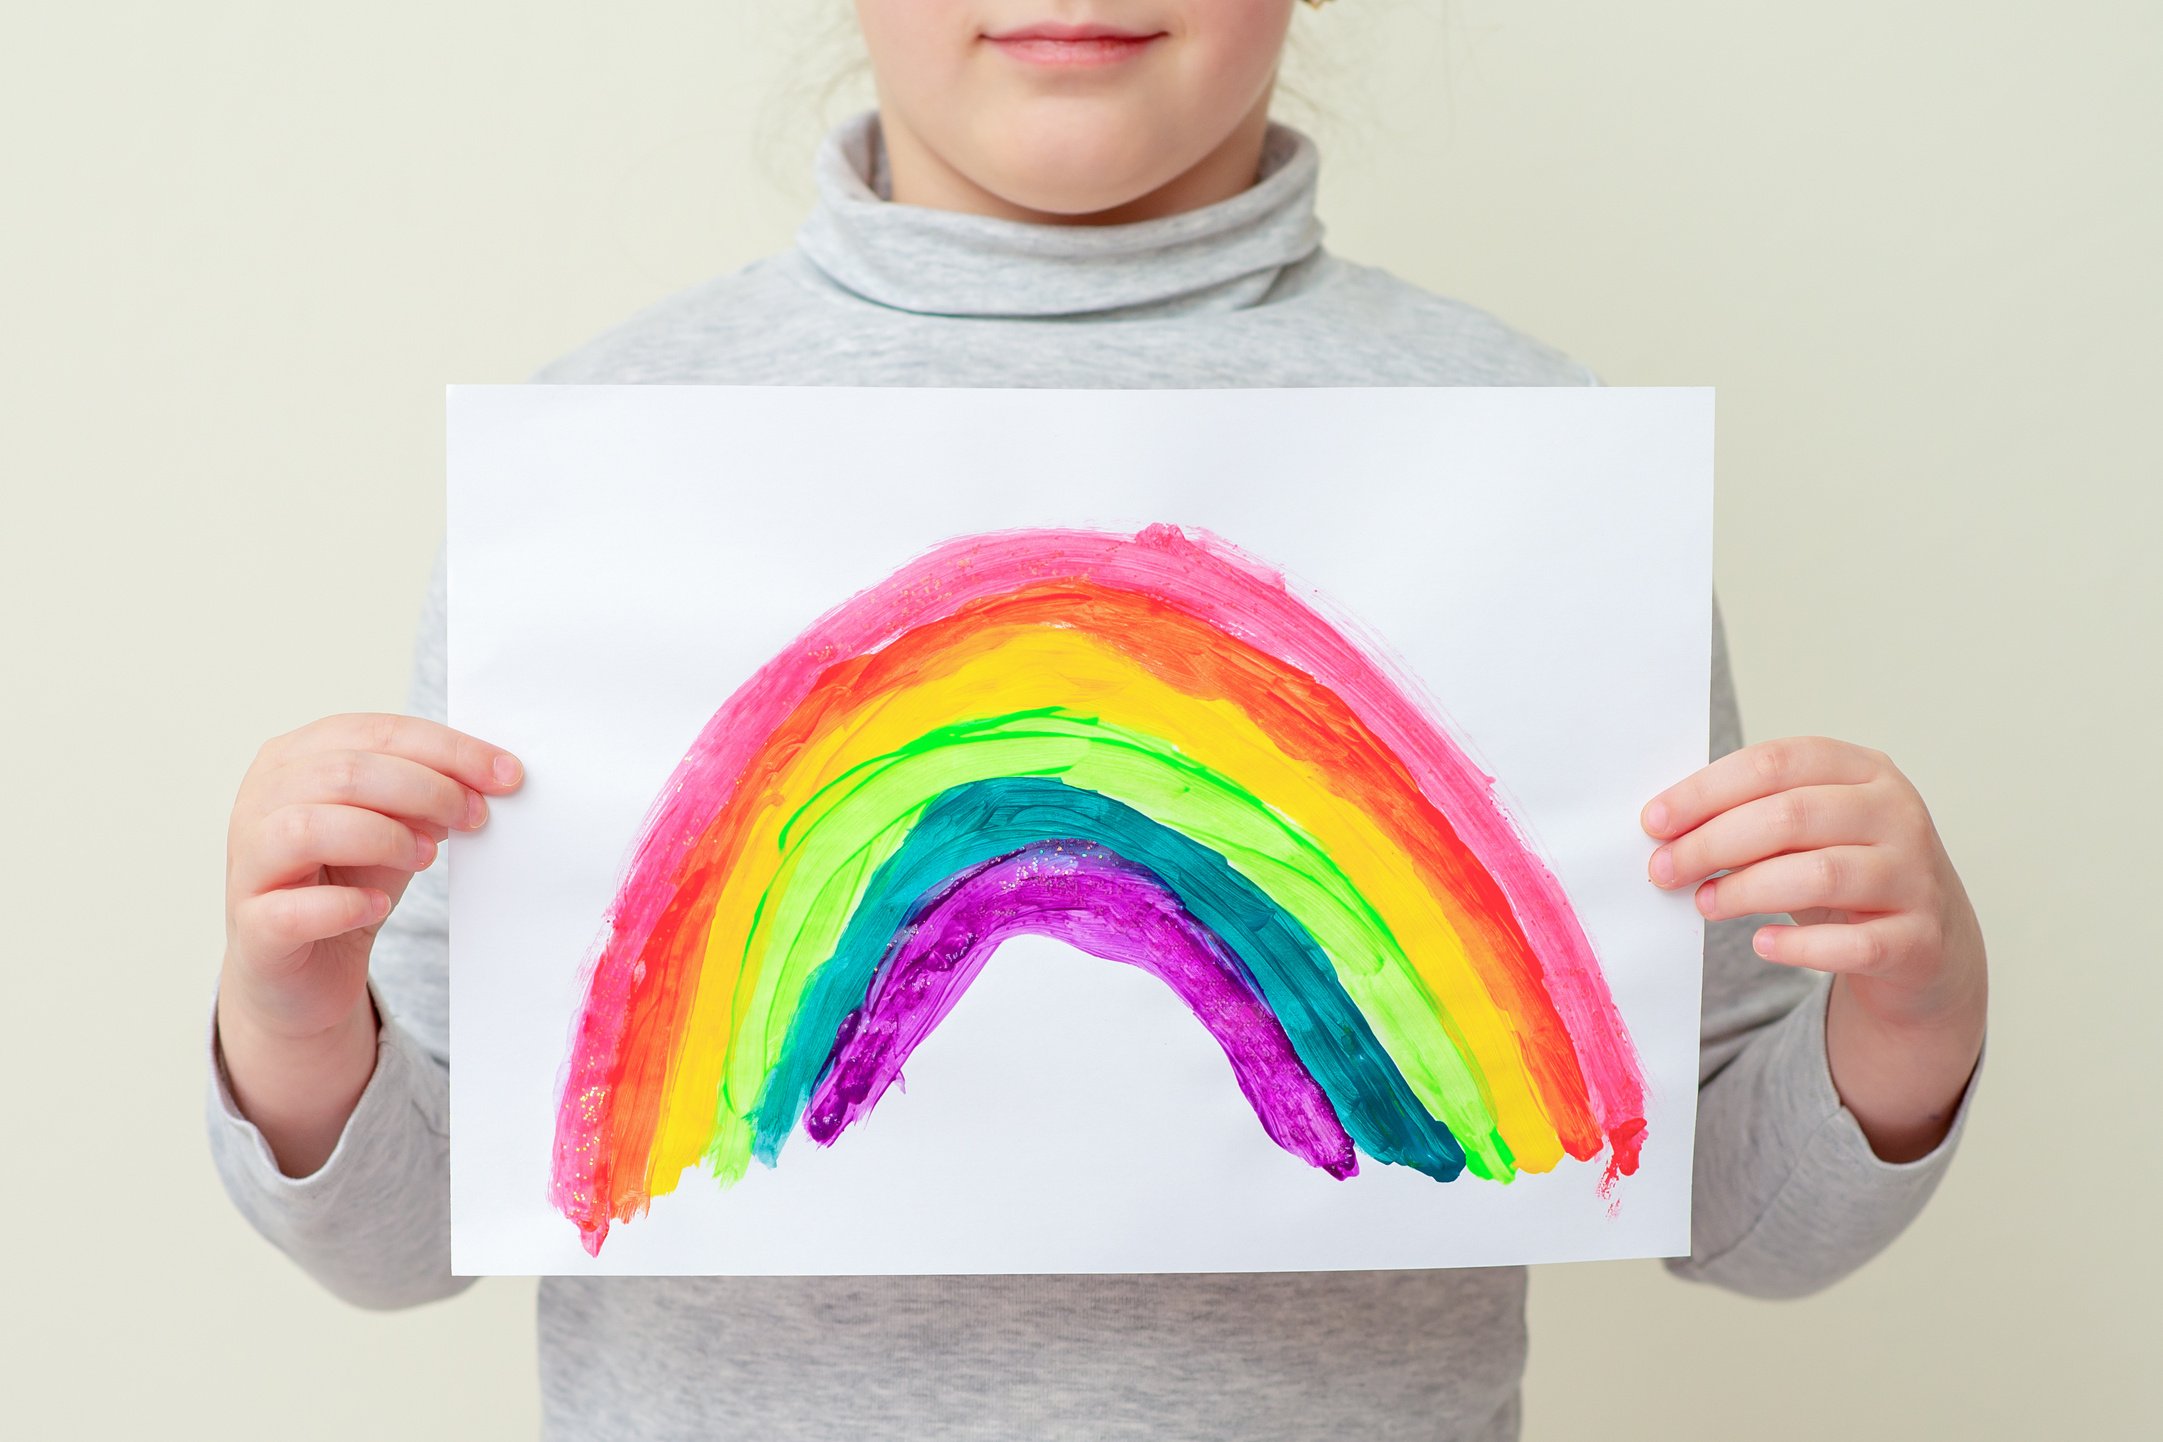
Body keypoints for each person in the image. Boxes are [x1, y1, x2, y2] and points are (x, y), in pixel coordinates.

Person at [207, 4, 1988, 1437]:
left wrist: (1910, 1016)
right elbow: (414, 1224)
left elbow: (1727, 1205)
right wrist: (292, 1012)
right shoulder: (596, 467)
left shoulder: (1537, 462)